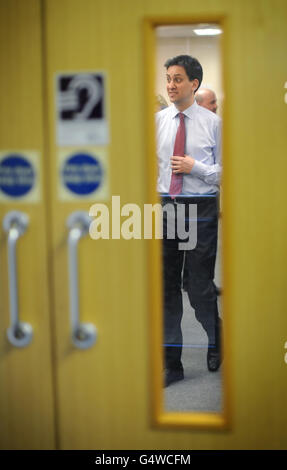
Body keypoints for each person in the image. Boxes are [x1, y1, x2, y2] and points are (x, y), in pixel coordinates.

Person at [155, 55, 222, 387]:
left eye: (178, 79)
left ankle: (215, 337)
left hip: (201, 207)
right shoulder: (157, 122)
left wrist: (196, 167)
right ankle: (173, 363)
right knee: (166, 289)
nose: (171, 84)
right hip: (166, 207)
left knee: (198, 288)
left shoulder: (213, 124)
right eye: (168, 78)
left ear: (193, 84)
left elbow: (226, 172)